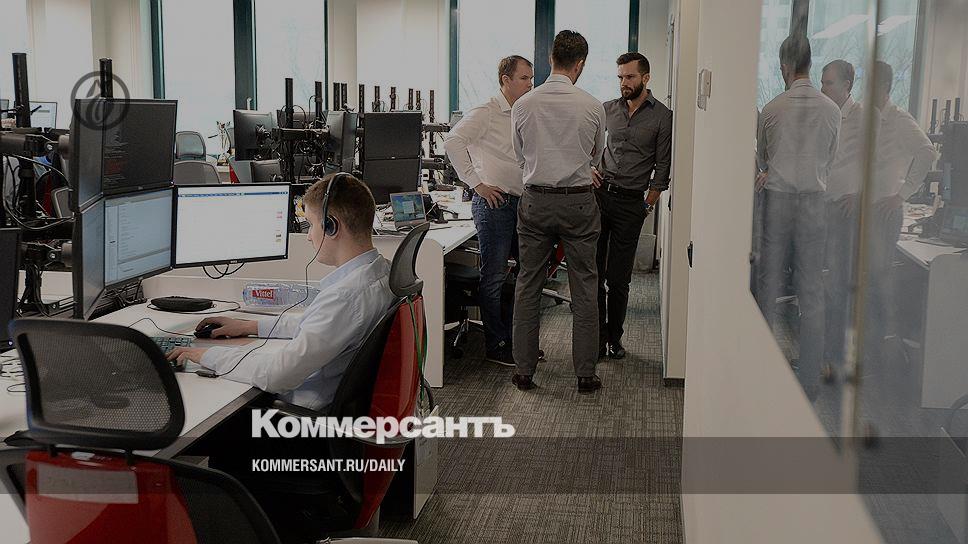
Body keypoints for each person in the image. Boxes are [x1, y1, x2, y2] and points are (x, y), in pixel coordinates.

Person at [166, 173, 395, 411]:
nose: (308, 236)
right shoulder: (380, 272)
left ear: (331, 226)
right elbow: (317, 325)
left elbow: (276, 375)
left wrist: (205, 356)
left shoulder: (345, 298)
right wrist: (249, 326)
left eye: (311, 224)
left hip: (297, 417)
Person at [510, 30, 606, 393]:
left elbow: (521, 155)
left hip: (535, 201)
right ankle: (585, 375)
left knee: (528, 284)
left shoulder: (523, 105)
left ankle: (524, 371)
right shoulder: (593, 106)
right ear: (579, 64)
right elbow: (595, 156)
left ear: (551, 59)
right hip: (579, 202)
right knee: (585, 286)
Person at [755, 34, 840, 399]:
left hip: (778, 201)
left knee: (768, 284)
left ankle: (762, 369)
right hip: (815, 202)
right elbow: (831, 158)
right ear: (810, 64)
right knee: (812, 290)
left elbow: (763, 158)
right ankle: (809, 379)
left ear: (784, 67)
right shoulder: (832, 110)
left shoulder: (772, 109)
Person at [443, 55, 534, 366]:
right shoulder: (486, 111)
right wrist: (476, 184)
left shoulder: (522, 111)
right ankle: (496, 345)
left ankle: (517, 341)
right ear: (506, 80)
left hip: (521, 203)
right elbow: (453, 141)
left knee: (524, 276)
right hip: (494, 204)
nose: (530, 84)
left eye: (531, 78)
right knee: (494, 277)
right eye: (524, 78)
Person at [592, 52, 673, 360]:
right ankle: (597, 338)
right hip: (600, 197)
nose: (623, 83)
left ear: (645, 78)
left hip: (631, 204)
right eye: (620, 77)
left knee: (619, 278)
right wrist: (589, 169)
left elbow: (662, 168)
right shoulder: (607, 110)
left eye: (629, 77)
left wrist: (647, 206)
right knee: (594, 273)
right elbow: (589, 147)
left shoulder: (662, 116)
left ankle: (615, 339)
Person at [865, 61, 938, 361]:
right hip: (867, 209)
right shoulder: (869, 118)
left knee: (879, 280)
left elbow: (927, 151)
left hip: (885, 211)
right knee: (868, 281)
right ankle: (870, 345)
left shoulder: (898, 119)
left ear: (883, 86)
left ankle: (884, 344)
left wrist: (903, 194)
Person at [820, 59, 864, 369]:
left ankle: (836, 356)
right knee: (827, 282)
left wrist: (860, 192)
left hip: (844, 211)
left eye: (829, 83)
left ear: (847, 86)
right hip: (825, 204)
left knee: (838, 284)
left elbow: (879, 162)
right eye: (822, 83)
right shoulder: (829, 114)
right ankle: (826, 351)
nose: (823, 88)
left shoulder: (863, 119)